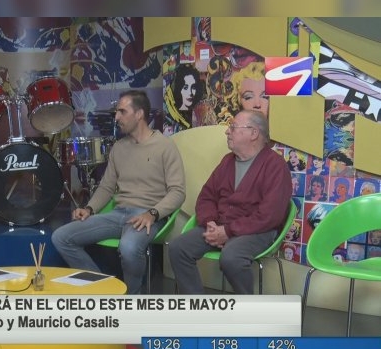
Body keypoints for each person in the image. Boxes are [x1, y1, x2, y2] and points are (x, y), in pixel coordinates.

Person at [52, 90, 186, 294]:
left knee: (129, 247)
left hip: (150, 215)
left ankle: (131, 299)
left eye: (122, 112)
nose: (116, 117)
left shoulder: (165, 146)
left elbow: (178, 192)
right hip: (119, 213)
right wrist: (89, 208)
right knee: (61, 237)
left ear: (139, 114)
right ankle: (103, 291)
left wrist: (152, 213)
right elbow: (107, 187)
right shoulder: (119, 147)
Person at [168, 110, 292, 294]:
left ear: (253, 133)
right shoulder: (227, 161)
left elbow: (269, 216)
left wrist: (228, 231)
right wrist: (210, 222)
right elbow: (206, 196)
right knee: (178, 248)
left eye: (233, 127)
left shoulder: (275, 166)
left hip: (258, 230)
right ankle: (196, 305)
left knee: (231, 258)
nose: (227, 131)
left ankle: (246, 308)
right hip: (220, 226)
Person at [164, 64, 204, 131]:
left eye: (193, 87)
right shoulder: (169, 114)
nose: (190, 92)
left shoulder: (200, 112)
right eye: (185, 87)